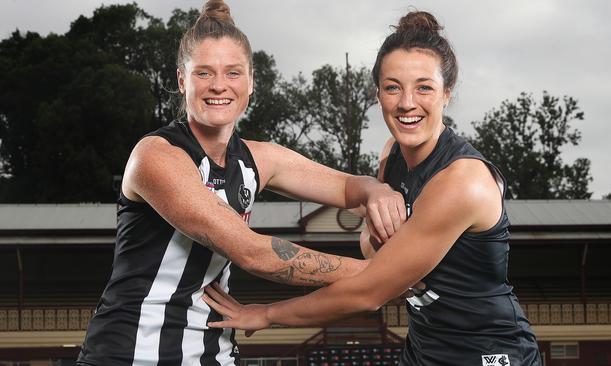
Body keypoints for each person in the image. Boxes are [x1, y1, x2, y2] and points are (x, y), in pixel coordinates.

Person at [203, 10, 542, 366]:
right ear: (378, 94)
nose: (407, 103)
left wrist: (267, 314)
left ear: (447, 94)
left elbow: (370, 292)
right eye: (393, 87)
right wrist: (383, 238)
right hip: (424, 348)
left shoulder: (462, 181)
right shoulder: (392, 156)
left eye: (424, 87)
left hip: (488, 352)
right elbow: (371, 248)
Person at [76, 1, 406, 365]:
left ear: (251, 81)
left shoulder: (257, 158)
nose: (219, 85)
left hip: (213, 355)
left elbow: (348, 188)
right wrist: (382, 274)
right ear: (182, 80)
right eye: (203, 73)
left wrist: (377, 192)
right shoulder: (156, 156)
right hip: (130, 354)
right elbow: (254, 253)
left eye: (233, 73)